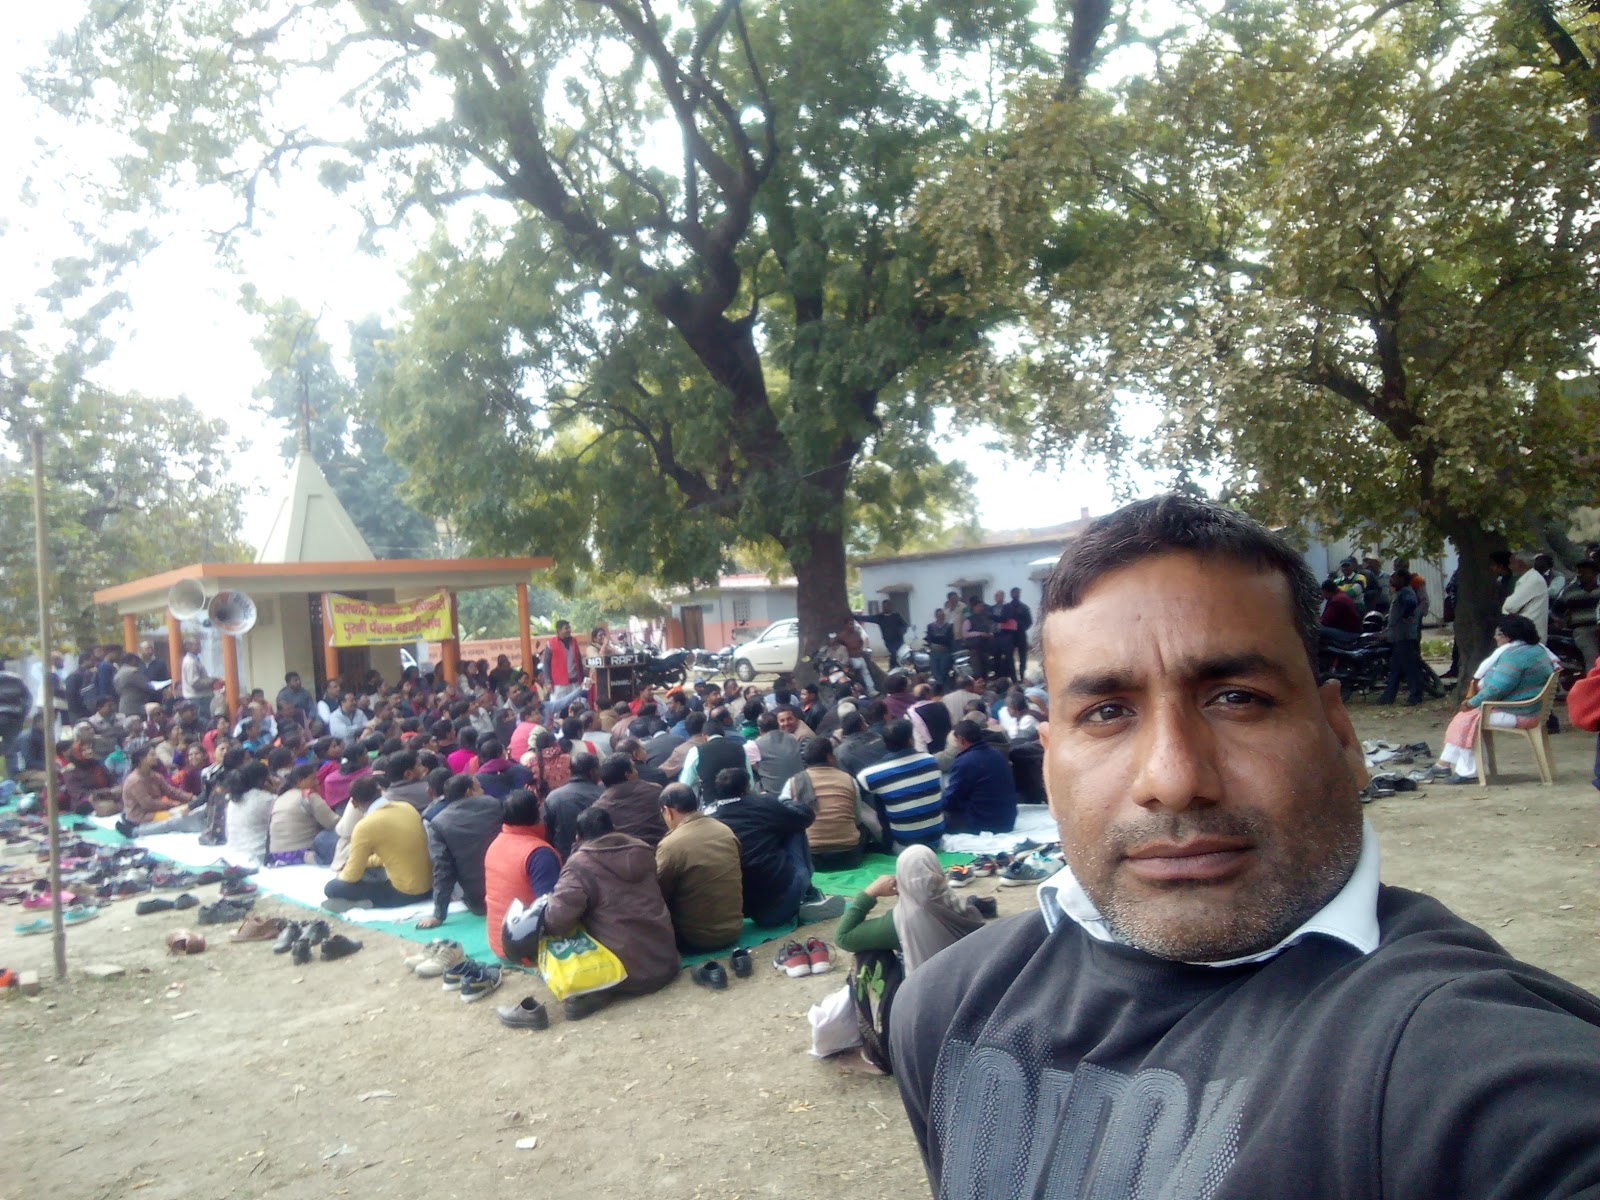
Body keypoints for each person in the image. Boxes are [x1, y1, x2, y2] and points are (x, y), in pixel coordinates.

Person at [891, 493, 1600, 1198]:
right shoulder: (947, 1006)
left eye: (1237, 698)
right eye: (1106, 712)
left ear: (1342, 737)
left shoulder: (1465, 1056)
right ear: (1049, 769)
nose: (1173, 780)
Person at [542, 807, 680, 1020]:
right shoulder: (642, 849)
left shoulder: (579, 865)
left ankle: (600, 990)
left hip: (625, 976)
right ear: (614, 828)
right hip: (665, 961)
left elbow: (556, 920)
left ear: (578, 837)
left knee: (556, 929)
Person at [1428, 614, 1556, 783]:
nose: (1495, 638)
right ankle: (1443, 765)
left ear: (1508, 636)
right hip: (1531, 709)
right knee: (1467, 717)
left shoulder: (1514, 656)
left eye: (1498, 634)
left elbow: (1497, 688)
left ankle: (1466, 772)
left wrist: (1472, 702)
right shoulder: (1537, 650)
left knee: (1467, 719)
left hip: (1520, 713)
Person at [834, 845, 985, 969]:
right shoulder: (962, 906)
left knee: (868, 954)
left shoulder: (900, 921)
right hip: (973, 986)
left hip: (925, 994)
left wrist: (870, 893)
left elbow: (843, 937)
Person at [710, 767, 816, 928]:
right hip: (780, 903)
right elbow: (805, 816)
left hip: (738, 910)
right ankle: (808, 892)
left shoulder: (709, 816)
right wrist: (785, 802)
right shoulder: (762, 803)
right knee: (794, 827)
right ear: (746, 788)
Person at [654, 782, 745, 953]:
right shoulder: (724, 830)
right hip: (733, 929)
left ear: (667, 811)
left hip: (696, 939)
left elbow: (658, 892)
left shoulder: (670, 845)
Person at [323, 776, 433, 911]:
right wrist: (367, 863)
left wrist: (341, 874)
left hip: (404, 894)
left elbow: (352, 875)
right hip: (429, 887)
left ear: (354, 803)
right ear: (380, 791)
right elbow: (394, 852)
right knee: (368, 871)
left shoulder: (365, 826)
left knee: (332, 888)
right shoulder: (407, 807)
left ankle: (364, 903)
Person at [417, 772, 505, 929]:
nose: (483, 791)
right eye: (479, 788)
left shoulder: (438, 822)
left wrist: (438, 915)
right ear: (469, 792)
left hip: (478, 901)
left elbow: (442, 870)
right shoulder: (494, 804)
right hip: (508, 892)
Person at [484, 787, 562, 959]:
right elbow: (552, 909)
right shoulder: (539, 853)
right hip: (525, 950)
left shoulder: (496, 843)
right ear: (537, 814)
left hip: (499, 941)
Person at [784, 736, 873, 869]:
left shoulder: (793, 782)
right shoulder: (849, 780)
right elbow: (857, 819)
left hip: (811, 858)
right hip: (849, 856)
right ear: (830, 757)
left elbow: (784, 815)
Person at [856, 719, 944, 849]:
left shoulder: (870, 774)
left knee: (863, 797)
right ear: (910, 740)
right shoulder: (931, 761)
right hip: (937, 836)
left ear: (885, 744)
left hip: (904, 843)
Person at [941, 718, 1018, 835]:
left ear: (962, 740)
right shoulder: (998, 755)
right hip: (1007, 820)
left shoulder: (964, 762)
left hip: (982, 823)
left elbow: (951, 800)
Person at [118, 743, 204, 837]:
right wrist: (174, 805)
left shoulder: (154, 775)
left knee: (187, 811)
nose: (156, 757)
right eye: (152, 755)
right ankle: (135, 832)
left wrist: (191, 798)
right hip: (140, 817)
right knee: (177, 818)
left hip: (155, 811)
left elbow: (171, 791)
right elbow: (149, 804)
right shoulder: (135, 781)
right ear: (142, 759)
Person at [268, 764, 340, 865]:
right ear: (300, 781)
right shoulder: (308, 796)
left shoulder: (279, 799)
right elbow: (334, 823)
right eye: (313, 779)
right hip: (302, 854)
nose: (317, 782)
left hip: (276, 856)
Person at [594, 752, 667, 846]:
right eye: (634, 768)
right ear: (628, 775)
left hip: (625, 852)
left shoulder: (599, 807)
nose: (637, 771)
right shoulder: (654, 790)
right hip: (661, 847)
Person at [1376, 570, 1425, 706]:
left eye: (1394, 578)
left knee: (1409, 667)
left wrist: (1405, 616)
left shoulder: (1406, 592)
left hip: (1404, 635)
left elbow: (1410, 604)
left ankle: (1416, 695)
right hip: (1398, 636)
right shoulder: (1401, 592)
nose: (1391, 581)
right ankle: (1388, 695)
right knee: (1395, 668)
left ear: (1402, 579)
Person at [542, 750, 603, 860]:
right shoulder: (603, 795)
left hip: (565, 858)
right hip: (599, 856)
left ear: (570, 771)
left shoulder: (553, 797)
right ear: (593, 772)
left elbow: (547, 832)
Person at [222, 760, 276, 868]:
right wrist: (277, 789)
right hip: (258, 856)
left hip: (233, 854)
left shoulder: (234, 799)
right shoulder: (266, 799)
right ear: (263, 780)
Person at [1556, 559, 1599, 671]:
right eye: (1579, 572)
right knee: (1592, 656)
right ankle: (1594, 679)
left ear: (1595, 573)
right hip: (1583, 629)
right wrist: (1562, 621)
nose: (1580, 574)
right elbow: (1556, 610)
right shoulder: (1570, 591)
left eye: (1585, 572)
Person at [750, 711, 805, 798]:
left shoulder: (754, 745)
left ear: (760, 730)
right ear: (778, 725)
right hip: (801, 790)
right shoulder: (792, 737)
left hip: (775, 796)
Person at [540, 620, 587, 721]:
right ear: (559, 630)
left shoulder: (574, 641)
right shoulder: (550, 643)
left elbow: (578, 660)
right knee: (556, 709)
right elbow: (546, 664)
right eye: (566, 628)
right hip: (558, 683)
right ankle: (554, 726)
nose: (569, 630)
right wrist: (547, 681)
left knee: (578, 705)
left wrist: (582, 678)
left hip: (575, 681)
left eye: (569, 628)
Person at [1502, 549, 1551, 641]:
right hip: (1525, 633)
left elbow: (1510, 606)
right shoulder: (1529, 578)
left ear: (1520, 563)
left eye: (1512, 563)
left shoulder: (1533, 580)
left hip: (1529, 636)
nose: (1510, 567)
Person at [1318, 578, 1362, 648]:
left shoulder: (1336, 601)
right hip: (1352, 631)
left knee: (1318, 630)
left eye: (1322, 593)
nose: (1322, 595)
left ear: (1326, 591)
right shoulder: (1340, 595)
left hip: (1349, 634)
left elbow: (1326, 621)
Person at [179, 636, 215, 719]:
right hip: (198, 699)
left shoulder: (194, 660)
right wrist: (211, 681)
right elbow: (195, 683)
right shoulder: (190, 662)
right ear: (188, 647)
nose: (200, 646)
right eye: (197, 644)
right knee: (203, 721)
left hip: (200, 698)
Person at [1004, 587, 1034, 680]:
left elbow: (1029, 621)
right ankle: (1013, 677)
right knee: (1009, 657)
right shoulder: (1006, 607)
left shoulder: (1024, 608)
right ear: (1011, 594)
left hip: (1021, 634)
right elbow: (1003, 620)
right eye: (1014, 593)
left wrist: (1022, 627)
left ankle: (1022, 675)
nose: (1016, 595)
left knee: (1023, 657)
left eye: (1017, 593)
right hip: (1010, 635)